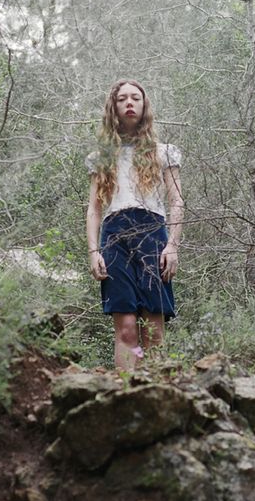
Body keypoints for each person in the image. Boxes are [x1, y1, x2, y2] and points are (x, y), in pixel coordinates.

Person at [85, 79, 184, 370]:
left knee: (153, 326)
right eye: (122, 99)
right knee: (127, 328)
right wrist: (93, 251)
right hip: (114, 237)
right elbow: (94, 209)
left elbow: (177, 201)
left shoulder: (164, 152)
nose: (129, 103)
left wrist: (172, 246)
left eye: (135, 98)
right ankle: (126, 390)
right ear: (113, 107)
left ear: (144, 105)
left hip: (153, 233)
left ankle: (155, 390)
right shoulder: (102, 157)